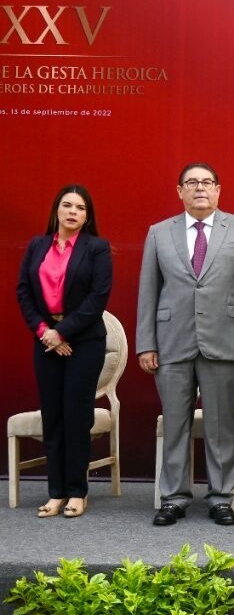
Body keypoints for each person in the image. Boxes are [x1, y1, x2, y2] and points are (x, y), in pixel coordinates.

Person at [137, 162, 234, 527]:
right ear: (179, 191)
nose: (199, 188)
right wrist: (146, 343)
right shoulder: (159, 233)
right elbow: (148, 291)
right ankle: (174, 498)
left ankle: (221, 498)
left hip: (225, 341)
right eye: (191, 183)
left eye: (207, 182)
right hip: (171, 342)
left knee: (221, 425)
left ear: (219, 189)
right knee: (175, 423)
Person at [16, 185, 112, 519]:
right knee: (52, 416)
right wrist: (45, 332)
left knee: (76, 414)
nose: (72, 212)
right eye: (67, 205)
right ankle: (55, 492)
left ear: (88, 216)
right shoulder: (36, 245)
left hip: (83, 342)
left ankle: (76, 491)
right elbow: (24, 292)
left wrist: (62, 331)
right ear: (56, 209)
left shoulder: (96, 248)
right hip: (46, 342)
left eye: (80, 208)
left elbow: (97, 298)